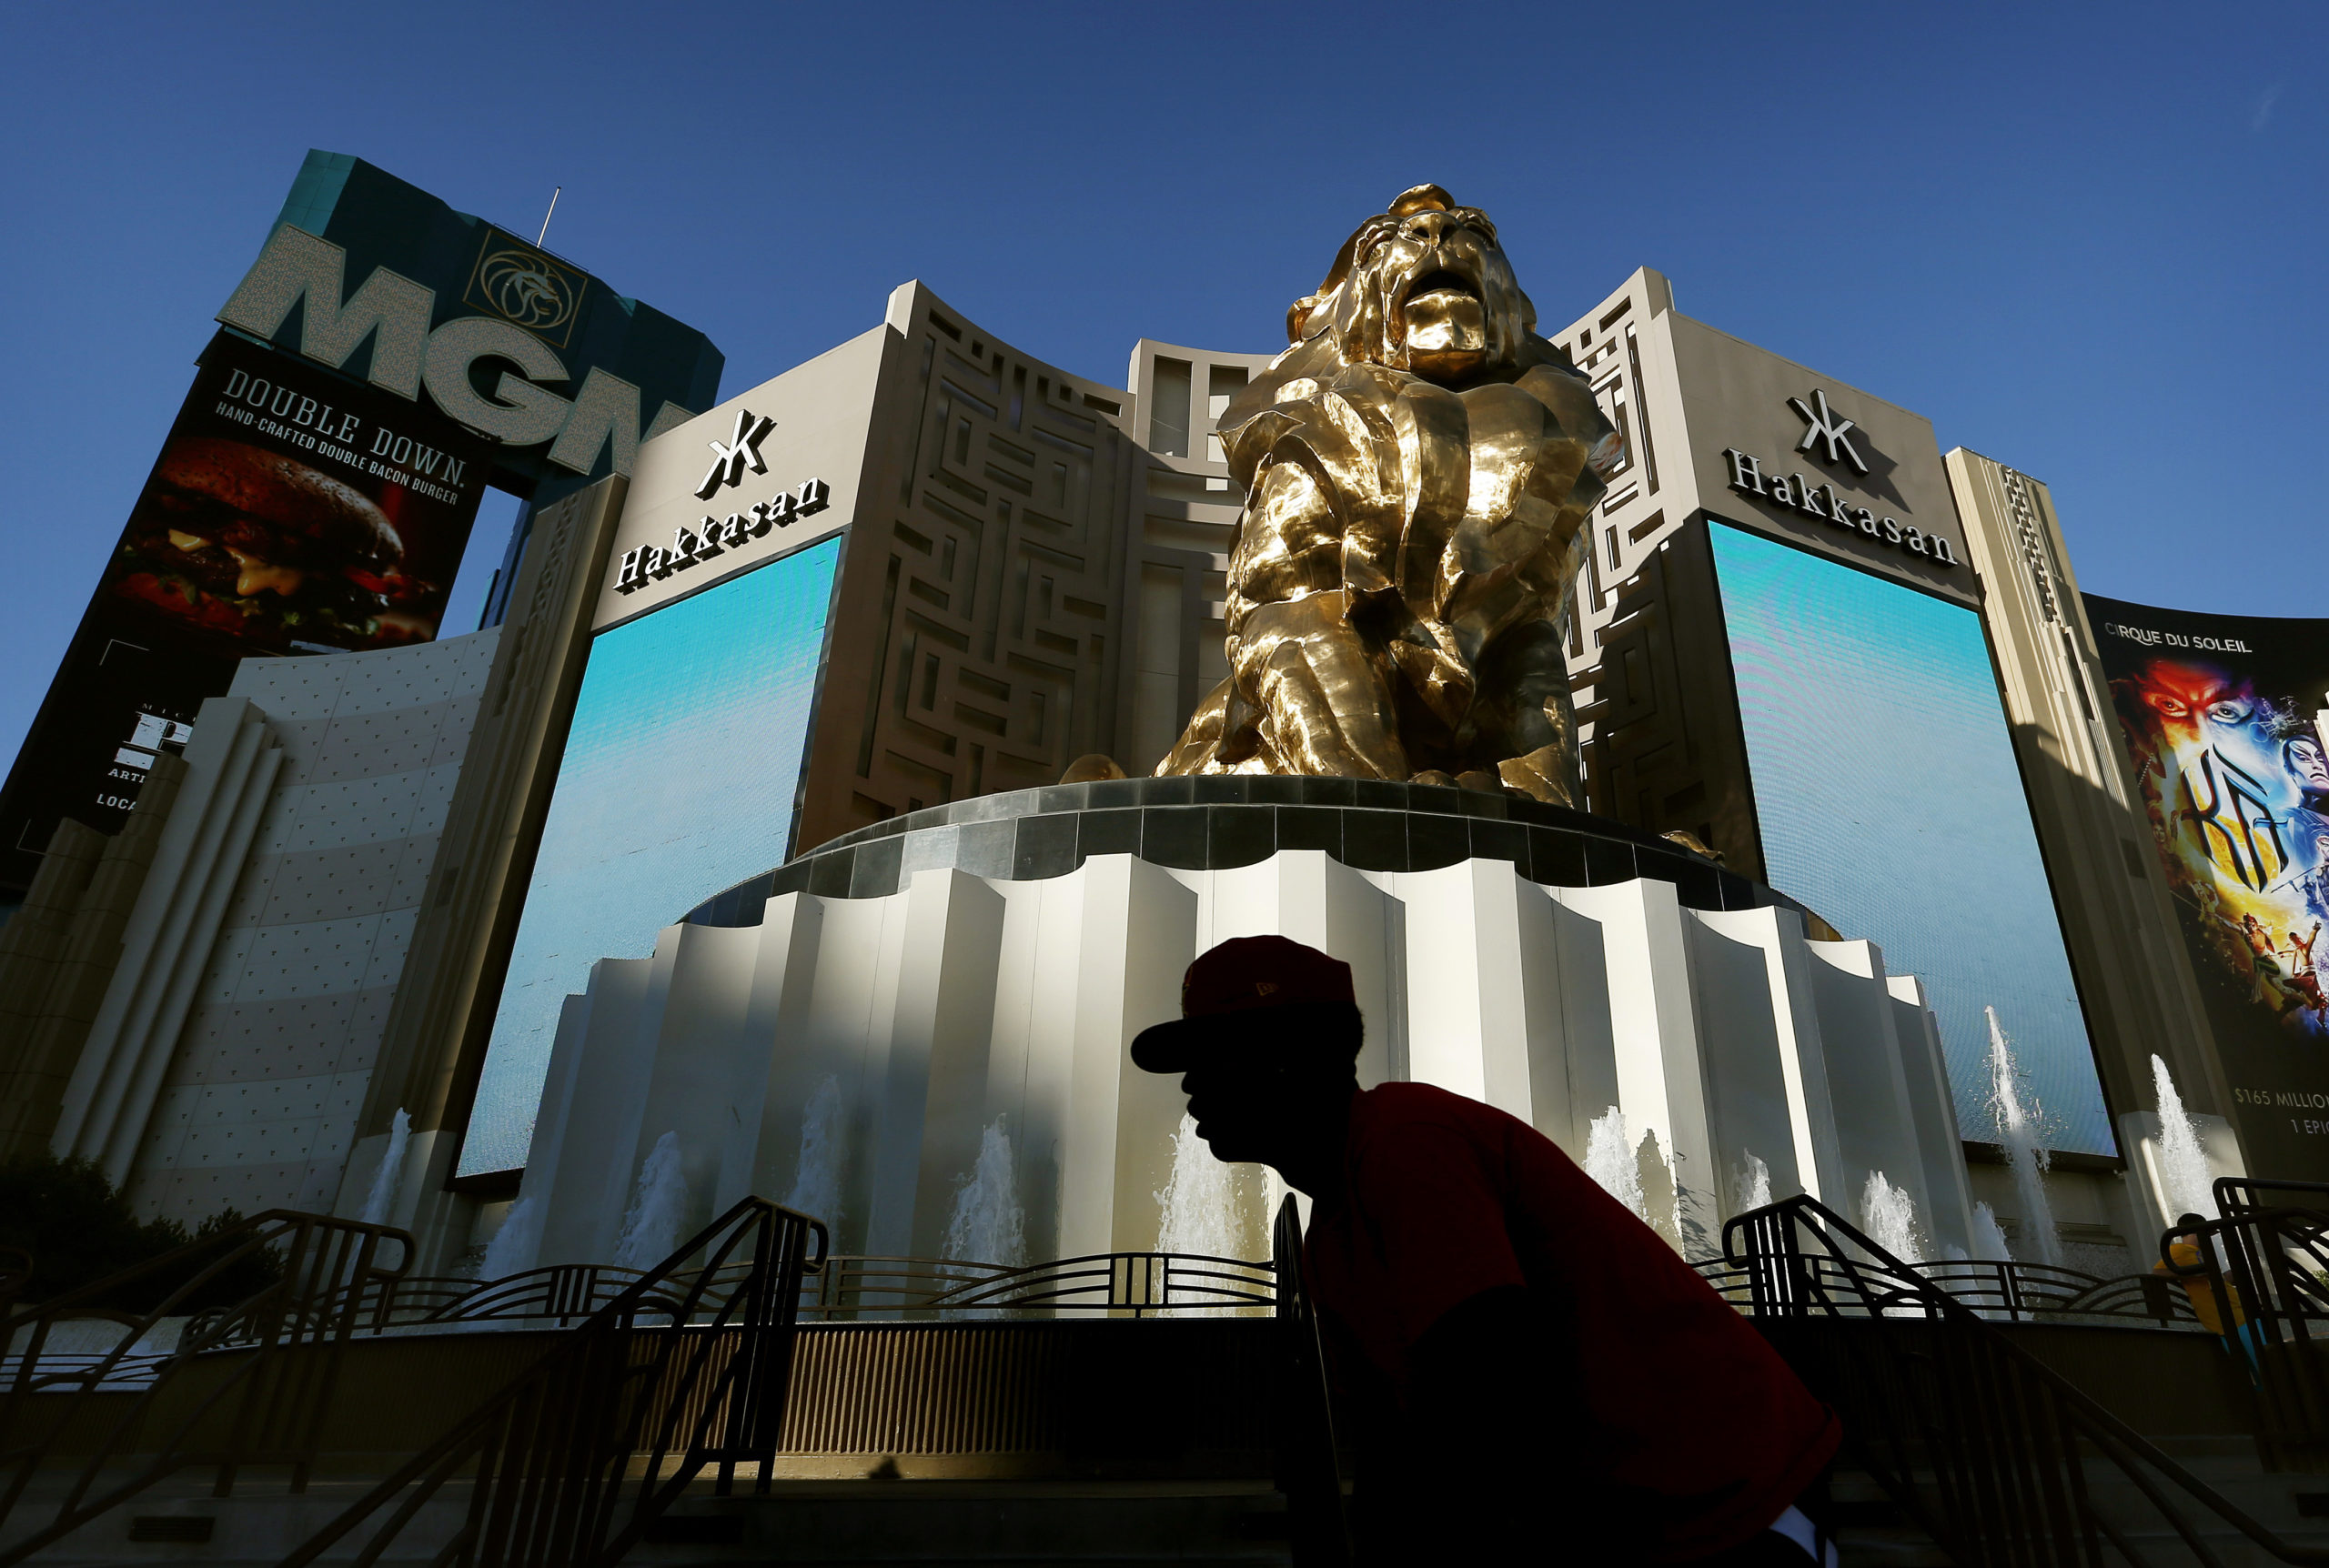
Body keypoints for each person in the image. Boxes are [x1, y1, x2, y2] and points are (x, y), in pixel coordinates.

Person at [1132, 935, 1840, 1566]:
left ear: (1284, 1059)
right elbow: (1392, 1442)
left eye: (1209, 1056)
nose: (1190, 1084)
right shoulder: (1332, 1234)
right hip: (1637, 1519)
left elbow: (1482, 1368)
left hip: (1726, 1507)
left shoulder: (1406, 1141)